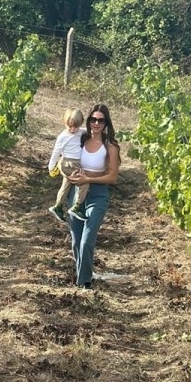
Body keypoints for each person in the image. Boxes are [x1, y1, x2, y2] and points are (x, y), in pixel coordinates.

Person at [66, 103, 120, 290]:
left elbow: (113, 177)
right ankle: (83, 273)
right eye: (93, 119)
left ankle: (84, 282)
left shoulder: (110, 146)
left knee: (87, 240)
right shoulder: (80, 139)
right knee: (76, 241)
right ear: (88, 121)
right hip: (76, 193)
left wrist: (88, 178)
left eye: (101, 120)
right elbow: (65, 155)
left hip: (98, 195)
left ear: (106, 123)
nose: (96, 123)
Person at [47, 108, 90, 223]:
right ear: (65, 123)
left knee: (66, 185)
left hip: (71, 164)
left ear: (80, 124)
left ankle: (58, 206)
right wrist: (51, 166)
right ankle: (78, 207)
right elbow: (56, 151)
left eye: (75, 126)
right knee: (84, 182)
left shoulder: (80, 131)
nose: (72, 129)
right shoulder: (63, 136)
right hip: (70, 163)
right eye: (69, 126)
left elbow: (88, 130)